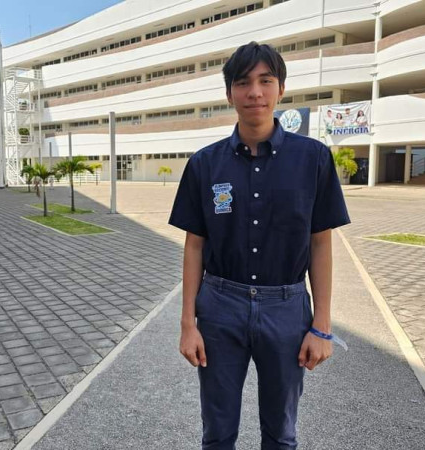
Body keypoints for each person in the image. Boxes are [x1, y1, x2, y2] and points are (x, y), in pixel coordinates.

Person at [169, 41, 350, 450]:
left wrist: (321, 326)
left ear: (281, 89)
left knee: (282, 433)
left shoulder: (314, 159)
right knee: (217, 432)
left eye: (266, 81)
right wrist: (187, 324)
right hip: (220, 307)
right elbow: (194, 246)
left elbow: (321, 245)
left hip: (286, 308)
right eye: (243, 82)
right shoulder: (204, 164)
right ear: (229, 93)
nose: (255, 92)